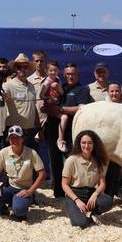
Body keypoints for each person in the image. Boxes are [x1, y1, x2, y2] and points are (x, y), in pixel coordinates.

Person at [44, 62, 91, 198]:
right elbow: (47, 103)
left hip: (72, 132)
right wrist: (47, 108)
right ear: (64, 75)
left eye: (73, 74)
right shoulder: (60, 88)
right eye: (68, 74)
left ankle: (73, 193)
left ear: (78, 75)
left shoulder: (82, 90)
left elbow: (81, 108)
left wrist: (61, 109)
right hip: (53, 128)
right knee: (55, 162)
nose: (70, 76)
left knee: (72, 162)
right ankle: (58, 193)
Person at [0, 125, 46, 222]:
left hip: (24, 189)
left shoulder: (32, 153)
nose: (14, 140)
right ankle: (4, 211)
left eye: (17, 137)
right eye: (11, 138)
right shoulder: (3, 152)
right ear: (8, 140)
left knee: (19, 210)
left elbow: (42, 174)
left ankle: (19, 208)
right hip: (9, 187)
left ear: (23, 139)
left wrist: (30, 191)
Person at [62, 130, 113, 228]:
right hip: (74, 195)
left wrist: (95, 194)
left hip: (90, 193)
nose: (86, 146)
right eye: (83, 143)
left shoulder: (98, 161)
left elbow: (102, 183)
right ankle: (81, 214)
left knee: (108, 201)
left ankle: (92, 212)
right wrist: (77, 200)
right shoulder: (71, 160)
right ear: (79, 144)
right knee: (80, 223)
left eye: (90, 143)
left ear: (94, 145)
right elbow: (64, 185)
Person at [2, 53, 39, 148]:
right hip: (14, 131)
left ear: (28, 69)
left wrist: (39, 128)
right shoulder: (8, 86)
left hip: (31, 131)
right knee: (13, 160)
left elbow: (34, 108)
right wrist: (2, 97)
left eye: (25, 67)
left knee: (31, 161)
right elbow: (1, 98)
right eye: (19, 67)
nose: (22, 69)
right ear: (15, 68)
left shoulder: (32, 86)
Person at [39, 60, 67, 152]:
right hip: (49, 105)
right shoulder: (47, 81)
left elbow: (62, 93)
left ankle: (42, 131)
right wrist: (48, 98)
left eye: (55, 70)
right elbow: (41, 95)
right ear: (47, 71)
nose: (53, 72)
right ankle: (60, 139)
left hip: (56, 105)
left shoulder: (57, 79)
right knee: (64, 117)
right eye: (51, 70)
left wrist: (58, 86)